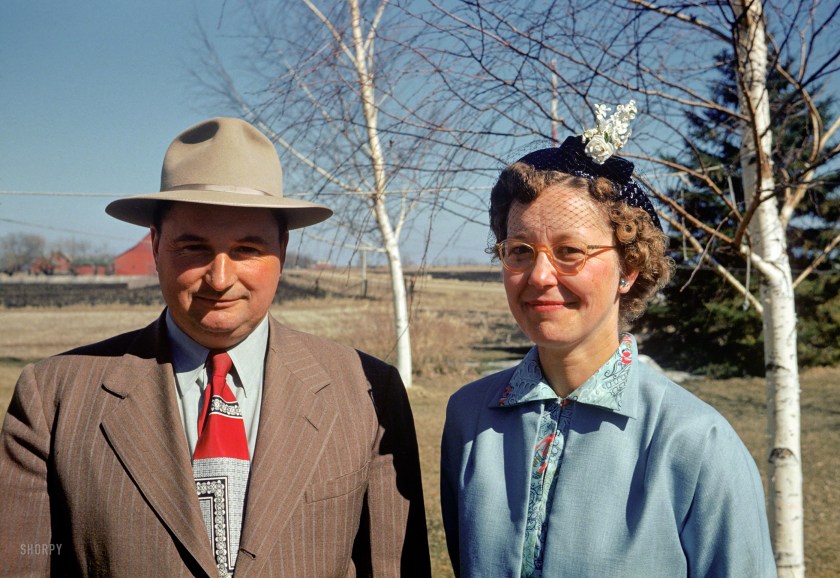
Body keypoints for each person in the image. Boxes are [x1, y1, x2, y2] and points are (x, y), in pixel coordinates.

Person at [0, 117, 431, 577]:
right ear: (156, 244)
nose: (220, 279)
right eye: (194, 248)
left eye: (247, 249)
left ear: (282, 250)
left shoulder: (368, 392)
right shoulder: (54, 398)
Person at [440, 103, 777, 577]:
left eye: (570, 252)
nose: (539, 276)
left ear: (629, 268)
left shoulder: (695, 442)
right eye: (519, 251)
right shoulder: (469, 418)